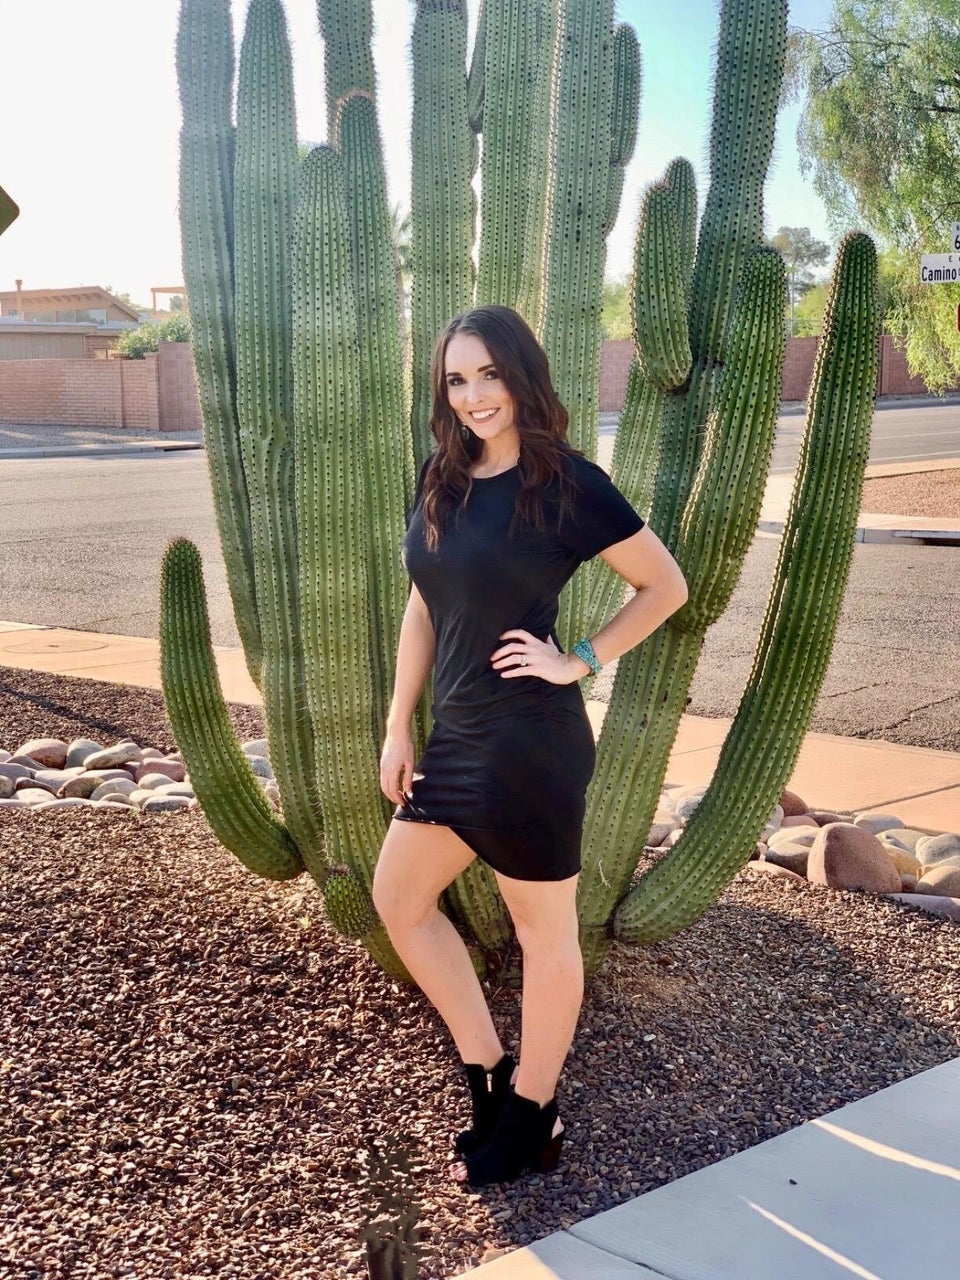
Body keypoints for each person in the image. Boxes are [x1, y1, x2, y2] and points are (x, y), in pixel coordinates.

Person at [371, 304, 688, 1188]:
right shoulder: (443, 477)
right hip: (458, 739)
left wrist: (577, 659)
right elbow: (425, 604)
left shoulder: (567, 484)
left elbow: (664, 586)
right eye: (456, 379)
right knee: (400, 900)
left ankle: (535, 1111)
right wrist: (398, 725)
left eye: (489, 375)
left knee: (544, 934)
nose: (474, 395)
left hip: (530, 746)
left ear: (520, 377)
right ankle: (487, 1073)